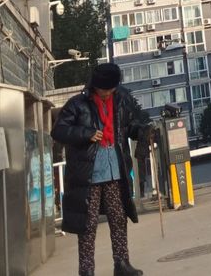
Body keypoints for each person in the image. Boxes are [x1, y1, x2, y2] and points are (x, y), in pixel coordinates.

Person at [52, 62, 150, 276]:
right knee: (87, 225)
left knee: (118, 218)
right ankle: (86, 271)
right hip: (89, 174)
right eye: (103, 90)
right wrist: (85, 133)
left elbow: (128, 126)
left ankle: (122, 264)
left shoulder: (121, 101)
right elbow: (58, 131)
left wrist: (142, 131)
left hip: (115, 170)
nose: (107, 93)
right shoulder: (77, 104)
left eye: (111, 89)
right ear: (95, 86)